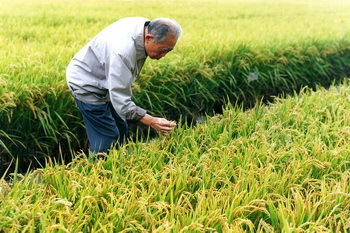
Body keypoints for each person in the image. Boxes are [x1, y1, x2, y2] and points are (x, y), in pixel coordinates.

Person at [66, 17, 182, 157]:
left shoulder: (144, 27)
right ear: (149, 37)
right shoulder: (123, 51)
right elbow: (121, 101)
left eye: (168, 51)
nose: (163, 55)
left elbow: (119, 93)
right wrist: (152, 121)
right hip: (86, 83)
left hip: (104, 79)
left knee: (121, 128)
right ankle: (96, 171)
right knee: (108, 136)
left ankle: (119, 165)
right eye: (163, 49)